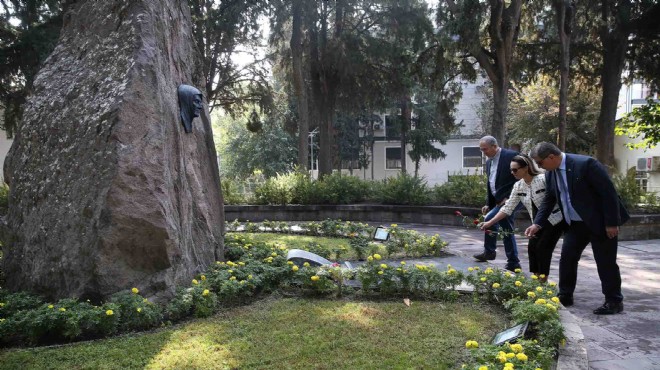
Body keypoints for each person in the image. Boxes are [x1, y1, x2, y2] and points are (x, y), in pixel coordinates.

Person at [525, 142, 630, 315]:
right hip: (575, 224)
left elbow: (609, 193)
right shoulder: (551, 173)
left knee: (605, 262)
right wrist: (537, 223)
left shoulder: (586, 164)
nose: (538, 166)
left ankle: (614, 301)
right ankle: (565, 295)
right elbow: (549, 199)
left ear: (551, 157)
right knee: (567, 258)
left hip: (600, 223)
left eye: (540, 162)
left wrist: (612, 223)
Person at [480, 154, 565, 281]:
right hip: (535, 222)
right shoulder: (518, 186)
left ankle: (543, 280)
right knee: (532, 249)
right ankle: (536, 279)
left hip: (555, 220)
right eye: (511, 170)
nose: (512, 173)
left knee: (542, 248)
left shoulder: (543, 179)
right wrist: (489, 222)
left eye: (515, 169)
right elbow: (507, 208)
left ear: (526, 167)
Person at [473, 136, 521, 271]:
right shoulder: (489, 162)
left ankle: (494, 254)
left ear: (494, 146)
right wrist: (489, 203)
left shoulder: (511, 156)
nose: (483, 152)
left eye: (485, 149)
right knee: (505, 227)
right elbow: (491, 184)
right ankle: (510, 261)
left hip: (512, 199)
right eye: (481, 149)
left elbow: (521, 177)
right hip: (498, 200)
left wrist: (511, 196)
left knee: (492, 221)